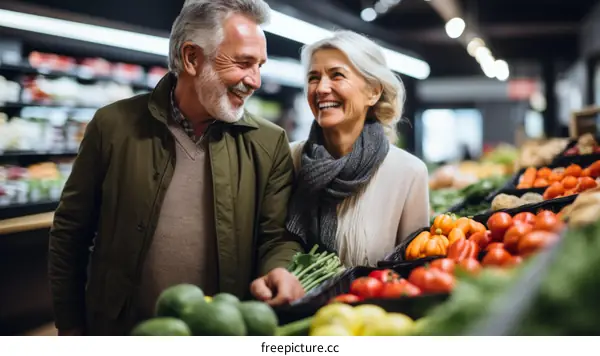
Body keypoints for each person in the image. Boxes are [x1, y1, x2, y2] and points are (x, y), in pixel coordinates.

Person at [48, 0, 305, 336]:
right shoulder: (113, 126)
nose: (255, 81)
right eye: (243, 63)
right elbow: (71, 233)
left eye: (259, 65)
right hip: (118, 330)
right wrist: (70, 327)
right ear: (192, 58)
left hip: (220, 331)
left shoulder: (268, 143)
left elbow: (278, 237)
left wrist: (281, 269)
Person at [285, 31, 430, 267]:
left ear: (373, 91)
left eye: (337, 75)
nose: (321, 88)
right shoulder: (287, 160)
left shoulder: (408, 173)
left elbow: (410, 271)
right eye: (313, 77)